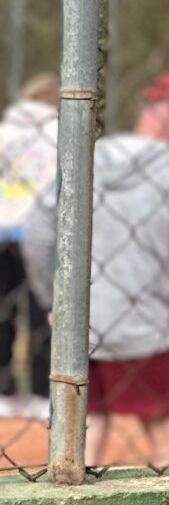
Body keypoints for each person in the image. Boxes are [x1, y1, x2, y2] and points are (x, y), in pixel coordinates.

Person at [25, 74, 169, 469]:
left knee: (84, 426)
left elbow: (37, 232)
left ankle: (74, 502)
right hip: (145, 331)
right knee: (168, 425)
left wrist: (54, 300)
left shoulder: (88, 157)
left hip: (81, 324)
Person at [0, 74, 60, 403]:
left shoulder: (4, 131)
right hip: (40, 231)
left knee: (3, 313)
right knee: (43, 310)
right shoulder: (59, 130)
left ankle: (4, 390)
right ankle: (40, 391)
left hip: (2, 228)